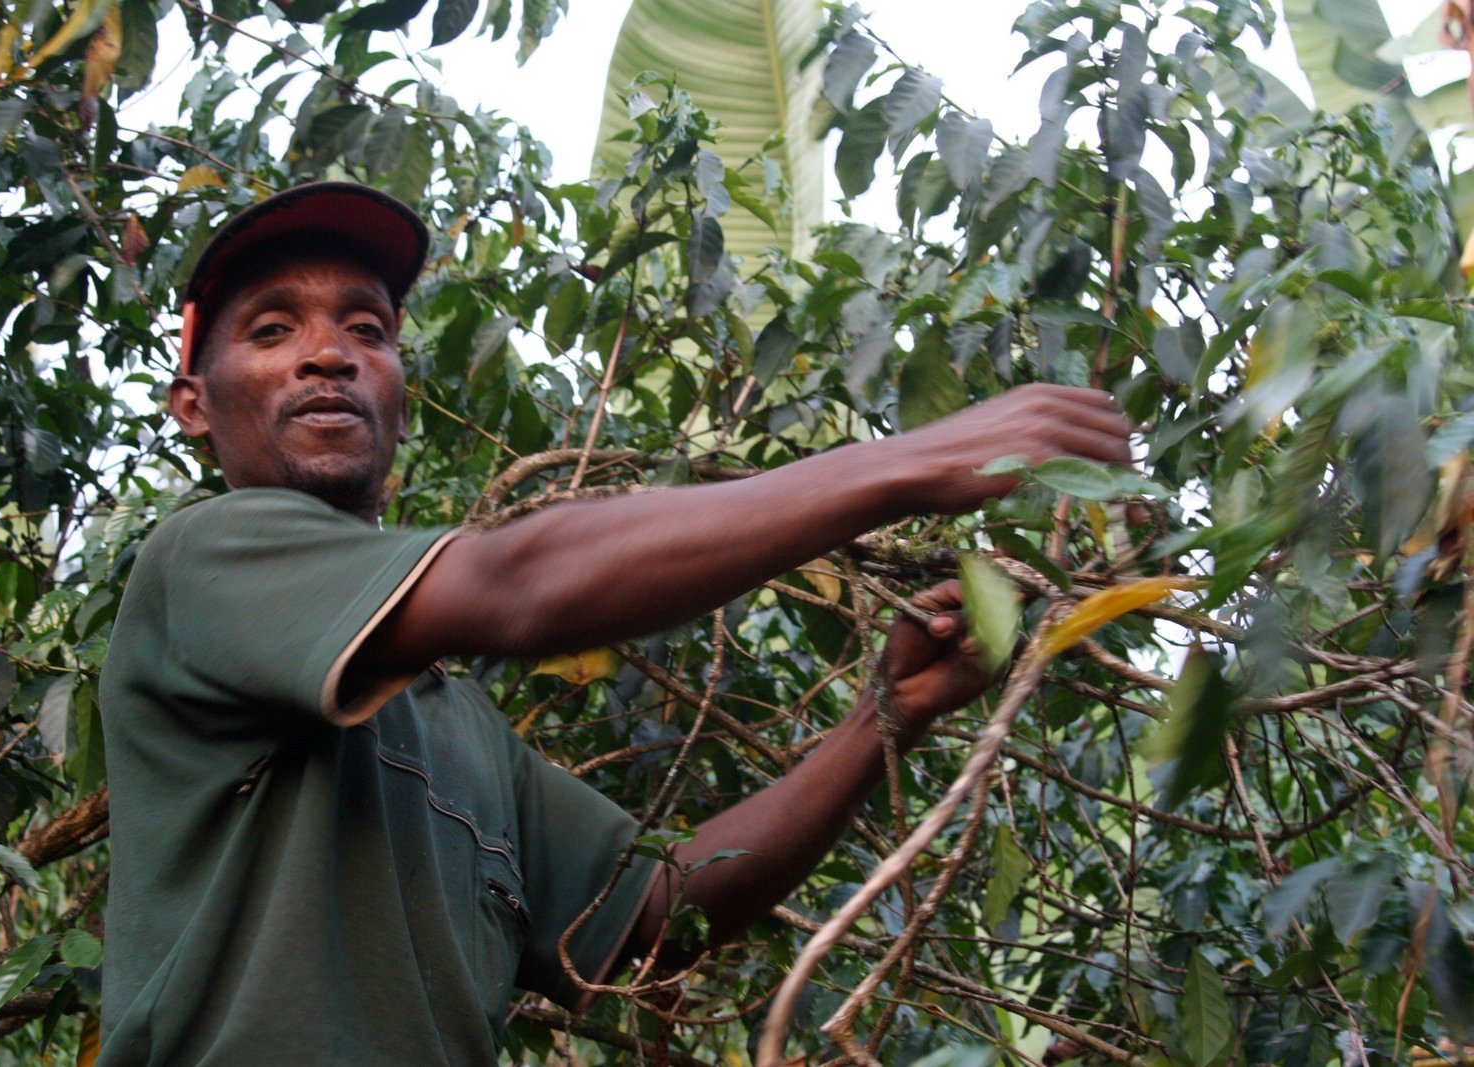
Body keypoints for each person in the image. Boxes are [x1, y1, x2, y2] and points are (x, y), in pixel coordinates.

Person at [96, 182, 1132, 1066]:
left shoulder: (461, 732)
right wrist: (906, 463)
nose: (329, 354)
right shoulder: (207, 558)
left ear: (402, 396)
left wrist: (884, 715)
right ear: (194, 400)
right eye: (273, 329)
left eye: (367, 329)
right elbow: (518, 583)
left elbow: (648, 916)